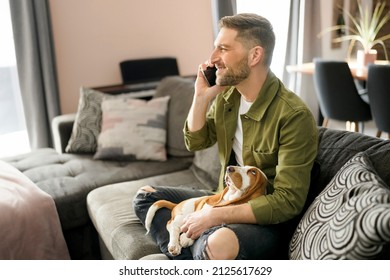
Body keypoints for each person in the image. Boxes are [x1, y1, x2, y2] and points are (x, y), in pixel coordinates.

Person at [133, 13, 318, 260]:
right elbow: (195, 141)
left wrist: (213, 216)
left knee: (218, 243)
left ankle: (193, 245)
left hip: (266, 221)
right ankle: (190, 249)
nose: (212, 59)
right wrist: (201, 98)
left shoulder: (294, 115)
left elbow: (287, 201)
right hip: (224, 198)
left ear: (255, 55)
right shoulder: (228, 98)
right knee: (146, 197)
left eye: (223, 49)